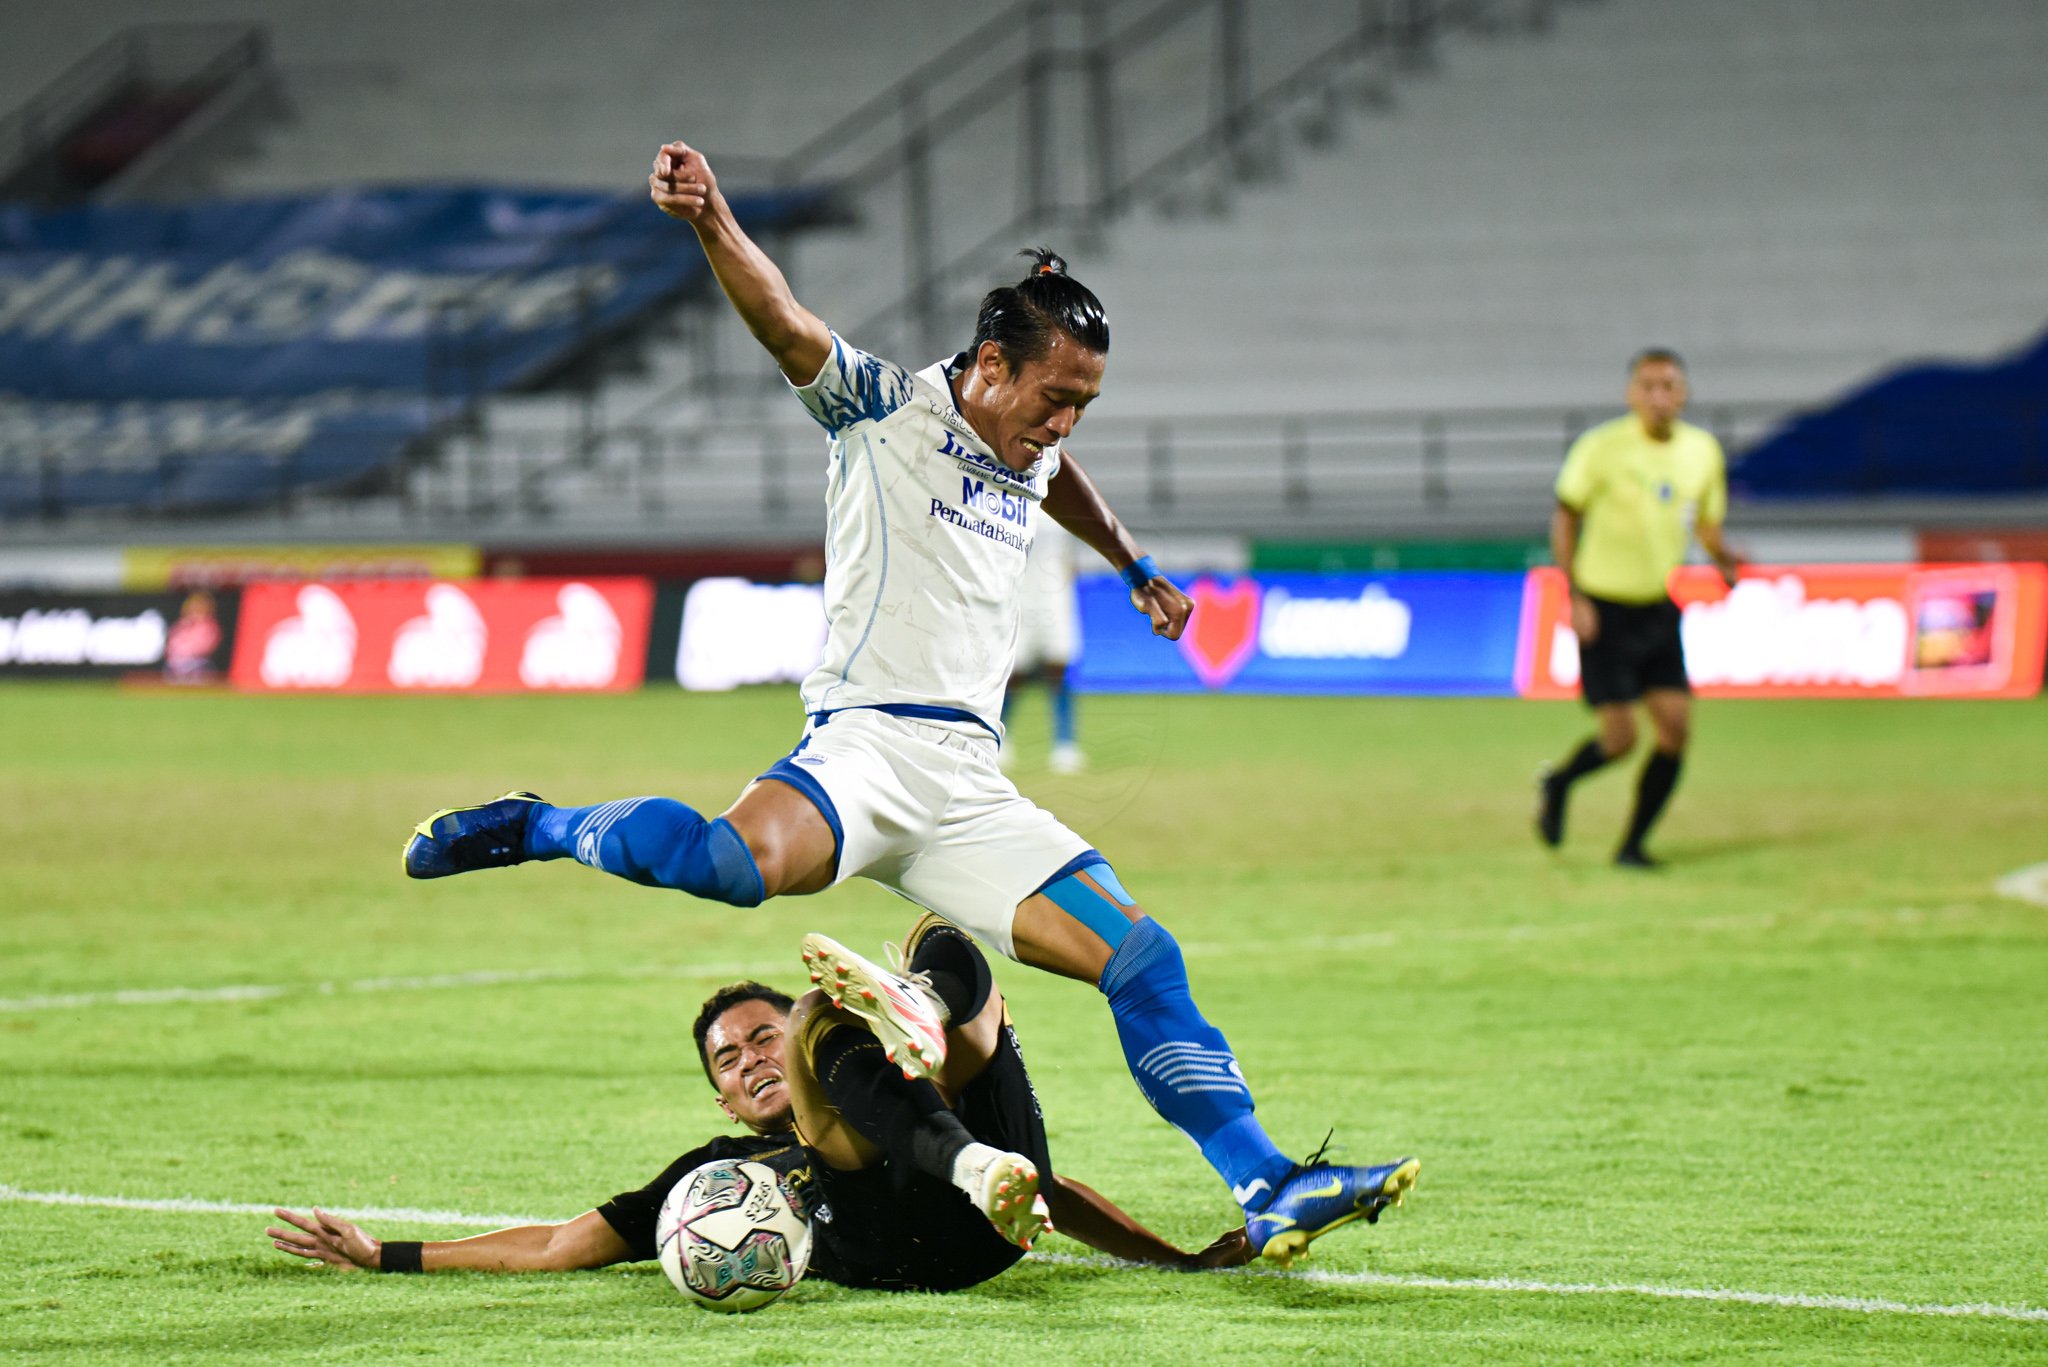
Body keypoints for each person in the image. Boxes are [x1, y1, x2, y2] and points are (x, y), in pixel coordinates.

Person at [395, 137, 1418, 1268]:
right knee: (726, 870)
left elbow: (1055, 478)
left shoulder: (1029, 445)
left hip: (968, 781)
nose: (1065, 421)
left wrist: (1132, 567)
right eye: (1055, 395)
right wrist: (709, 220)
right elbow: (783, 318)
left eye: (1085, 402)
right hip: (865, 745)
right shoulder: (880, 406)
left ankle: (1264, 1178)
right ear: (987, 360)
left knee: (1139, 956)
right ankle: (538, 823)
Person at [266, 923, 1254, 1288]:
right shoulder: (722, 1172)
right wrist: (383, 1251)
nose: (747, 1058)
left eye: (758, 1036)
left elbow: (1052, 1193)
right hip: (912, 1239)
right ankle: (897, 1022)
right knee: (830, 1017)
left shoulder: (847, 1061)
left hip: (982, 1192)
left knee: (944, 942)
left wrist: (1172, 1254)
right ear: (727, 1104)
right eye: (728, 1059)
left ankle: (923, 998)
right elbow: (559, 1244)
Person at [1537, 349, 1741, 867]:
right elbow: (1566, 517)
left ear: (1684, 393)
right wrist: (1574, 594)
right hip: (1604, 608)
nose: (1658, 396)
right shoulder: (1601, 448)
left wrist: (1724, 560)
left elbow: (1705, 521)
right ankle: (1560, 782)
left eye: (1668, 385)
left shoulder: (1701, 452)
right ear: (1631, 394)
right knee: (1621, 739)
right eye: (1647, 386)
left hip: (1657, 606)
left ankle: (1632, 846)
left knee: (1675, 730)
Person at [1001, 516, 1086, 773]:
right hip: (1019, 595)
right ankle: (999, 738)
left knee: (1057, 670)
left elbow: (1071, 561)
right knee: (1014, 674)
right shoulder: (1008, 504)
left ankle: (1065, 745)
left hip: (1054, 598)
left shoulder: (1061, 508)